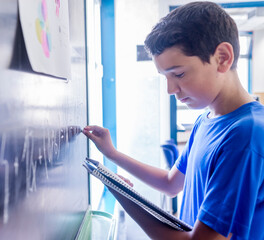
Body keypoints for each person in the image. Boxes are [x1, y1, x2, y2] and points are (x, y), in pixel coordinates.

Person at [82, 1, 264, 239]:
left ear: (222, 58)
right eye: (164, 77)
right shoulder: (205, 120)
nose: (170, 89)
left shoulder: (245, 134)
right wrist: (113, 155)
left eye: (179, 74)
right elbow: (170, 184)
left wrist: (121, 194)